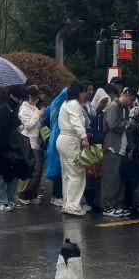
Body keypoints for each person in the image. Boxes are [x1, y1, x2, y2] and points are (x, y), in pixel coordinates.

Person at [56, 81, 92, 216]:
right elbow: (76, 121)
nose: (85, 94)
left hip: (63, 139)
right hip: (71, 140)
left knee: (67, 175)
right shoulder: (74, 104)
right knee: (77, 173)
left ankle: (67, 204)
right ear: (79, 92)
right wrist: (84, 137)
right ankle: (73, 206)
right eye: (83, 92)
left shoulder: (66, 103)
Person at [101, 87, 136, 219]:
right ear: (126, 95)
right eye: (131, 100)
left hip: (121, 148)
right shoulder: (113, 106)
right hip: (112, 148)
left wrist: (130, 148)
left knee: (119, 179)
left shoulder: (124, 109)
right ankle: (108, 206)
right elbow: (113, 125)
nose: (131, 103)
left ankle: (118, 205)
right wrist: (128, 123)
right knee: (111, 179)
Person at [0, 86, 24, 212]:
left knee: (13, 173)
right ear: (11, 95)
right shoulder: (2, 108)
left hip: (13, 144)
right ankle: (0, 201)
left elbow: (15, 122)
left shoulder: (13, 107)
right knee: (1, 173)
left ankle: (10, 199)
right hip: (3, 144)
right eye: (18, 98)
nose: (19, 100)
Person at [17, 86, 45, 204]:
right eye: (36, 97)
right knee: (30, 169)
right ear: (29, 97)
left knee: (38, 170)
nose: (37, 100)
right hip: (28, 142)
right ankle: (22, 194)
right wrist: (38, 115)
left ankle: (32, 194)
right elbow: (28, 125)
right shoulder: (24, 109)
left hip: (36, 141)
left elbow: (37, 124)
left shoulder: (34, 108)